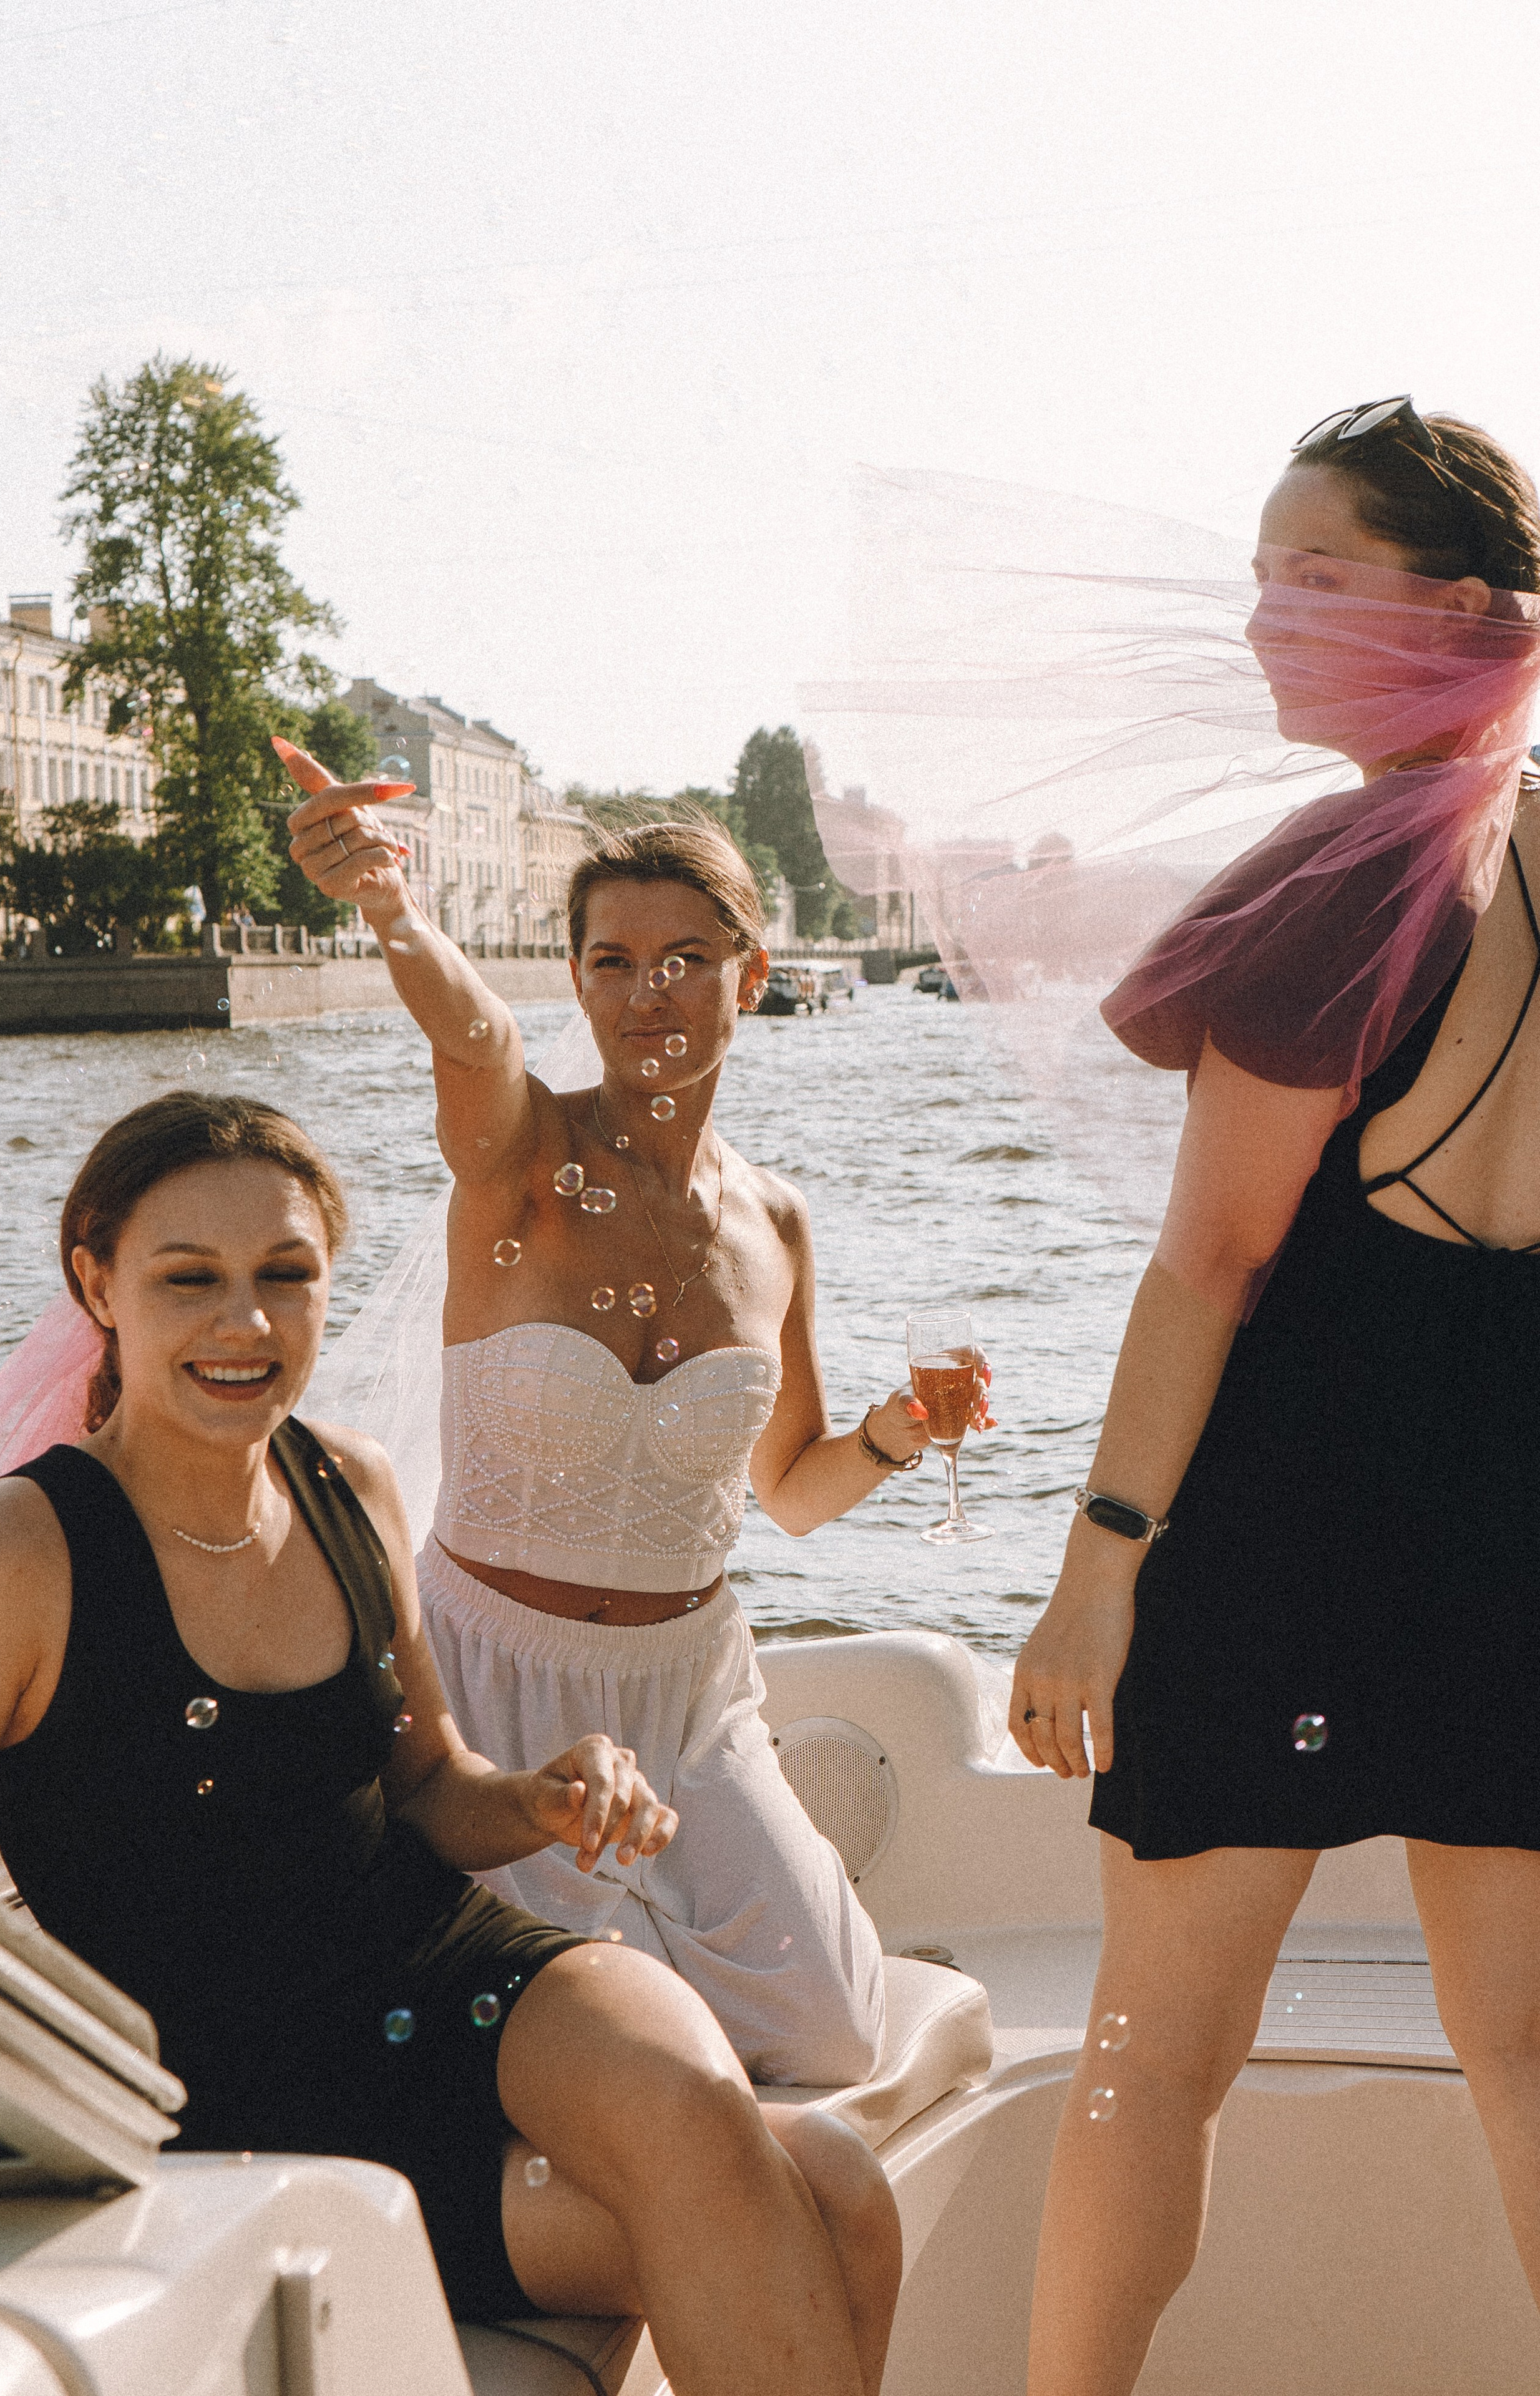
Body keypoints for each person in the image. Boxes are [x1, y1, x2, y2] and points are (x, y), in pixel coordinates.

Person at [0, 1091, 900, 2396]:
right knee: (816, 2201)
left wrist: (545, 1795)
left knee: (841, 2177)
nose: (247, 1323)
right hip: (230, 2080)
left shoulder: (350, 1486)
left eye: (287, 1276)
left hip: (437, 1959)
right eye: (192, 1280)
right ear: (96, 1284)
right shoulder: (9, 1556)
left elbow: (432, 1786)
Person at [1007, 404, 1540, 2394]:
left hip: (1297, 1523)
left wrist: (1097, 1572)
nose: (1261, 620)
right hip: (1515, 1519)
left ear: (1465, 611)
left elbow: (1213, 1260)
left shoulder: (1347, 874)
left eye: (1314, 574)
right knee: (1533, 2061)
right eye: (1258, 576)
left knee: (1152, 2059)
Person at [280, 774, 987, 2086]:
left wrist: (895, 1433)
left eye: (684, 960)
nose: (646, 993)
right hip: (493, 1685)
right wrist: (390, 907)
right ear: (575, 978)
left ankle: (651, 1969)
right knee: (562, 2057)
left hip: (692, 1689)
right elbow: (476, 1041)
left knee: (833, 2036)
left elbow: (788, 1492)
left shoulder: (774, 1224)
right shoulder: (518, 1156)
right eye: (611, 961)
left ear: (751, 975)